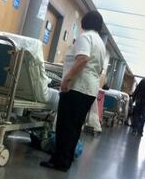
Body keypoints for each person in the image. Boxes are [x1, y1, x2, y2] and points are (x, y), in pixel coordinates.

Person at [40, 11, 106, 171]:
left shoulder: (85, 37)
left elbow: (82, 59)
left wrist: (67, 79)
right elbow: (99, 69)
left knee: (65, 126)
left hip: (77, 87)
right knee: (75, 128)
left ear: (85, 22)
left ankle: (59, 161)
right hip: (89, 89)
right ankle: (65, 161)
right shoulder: (100, 42)